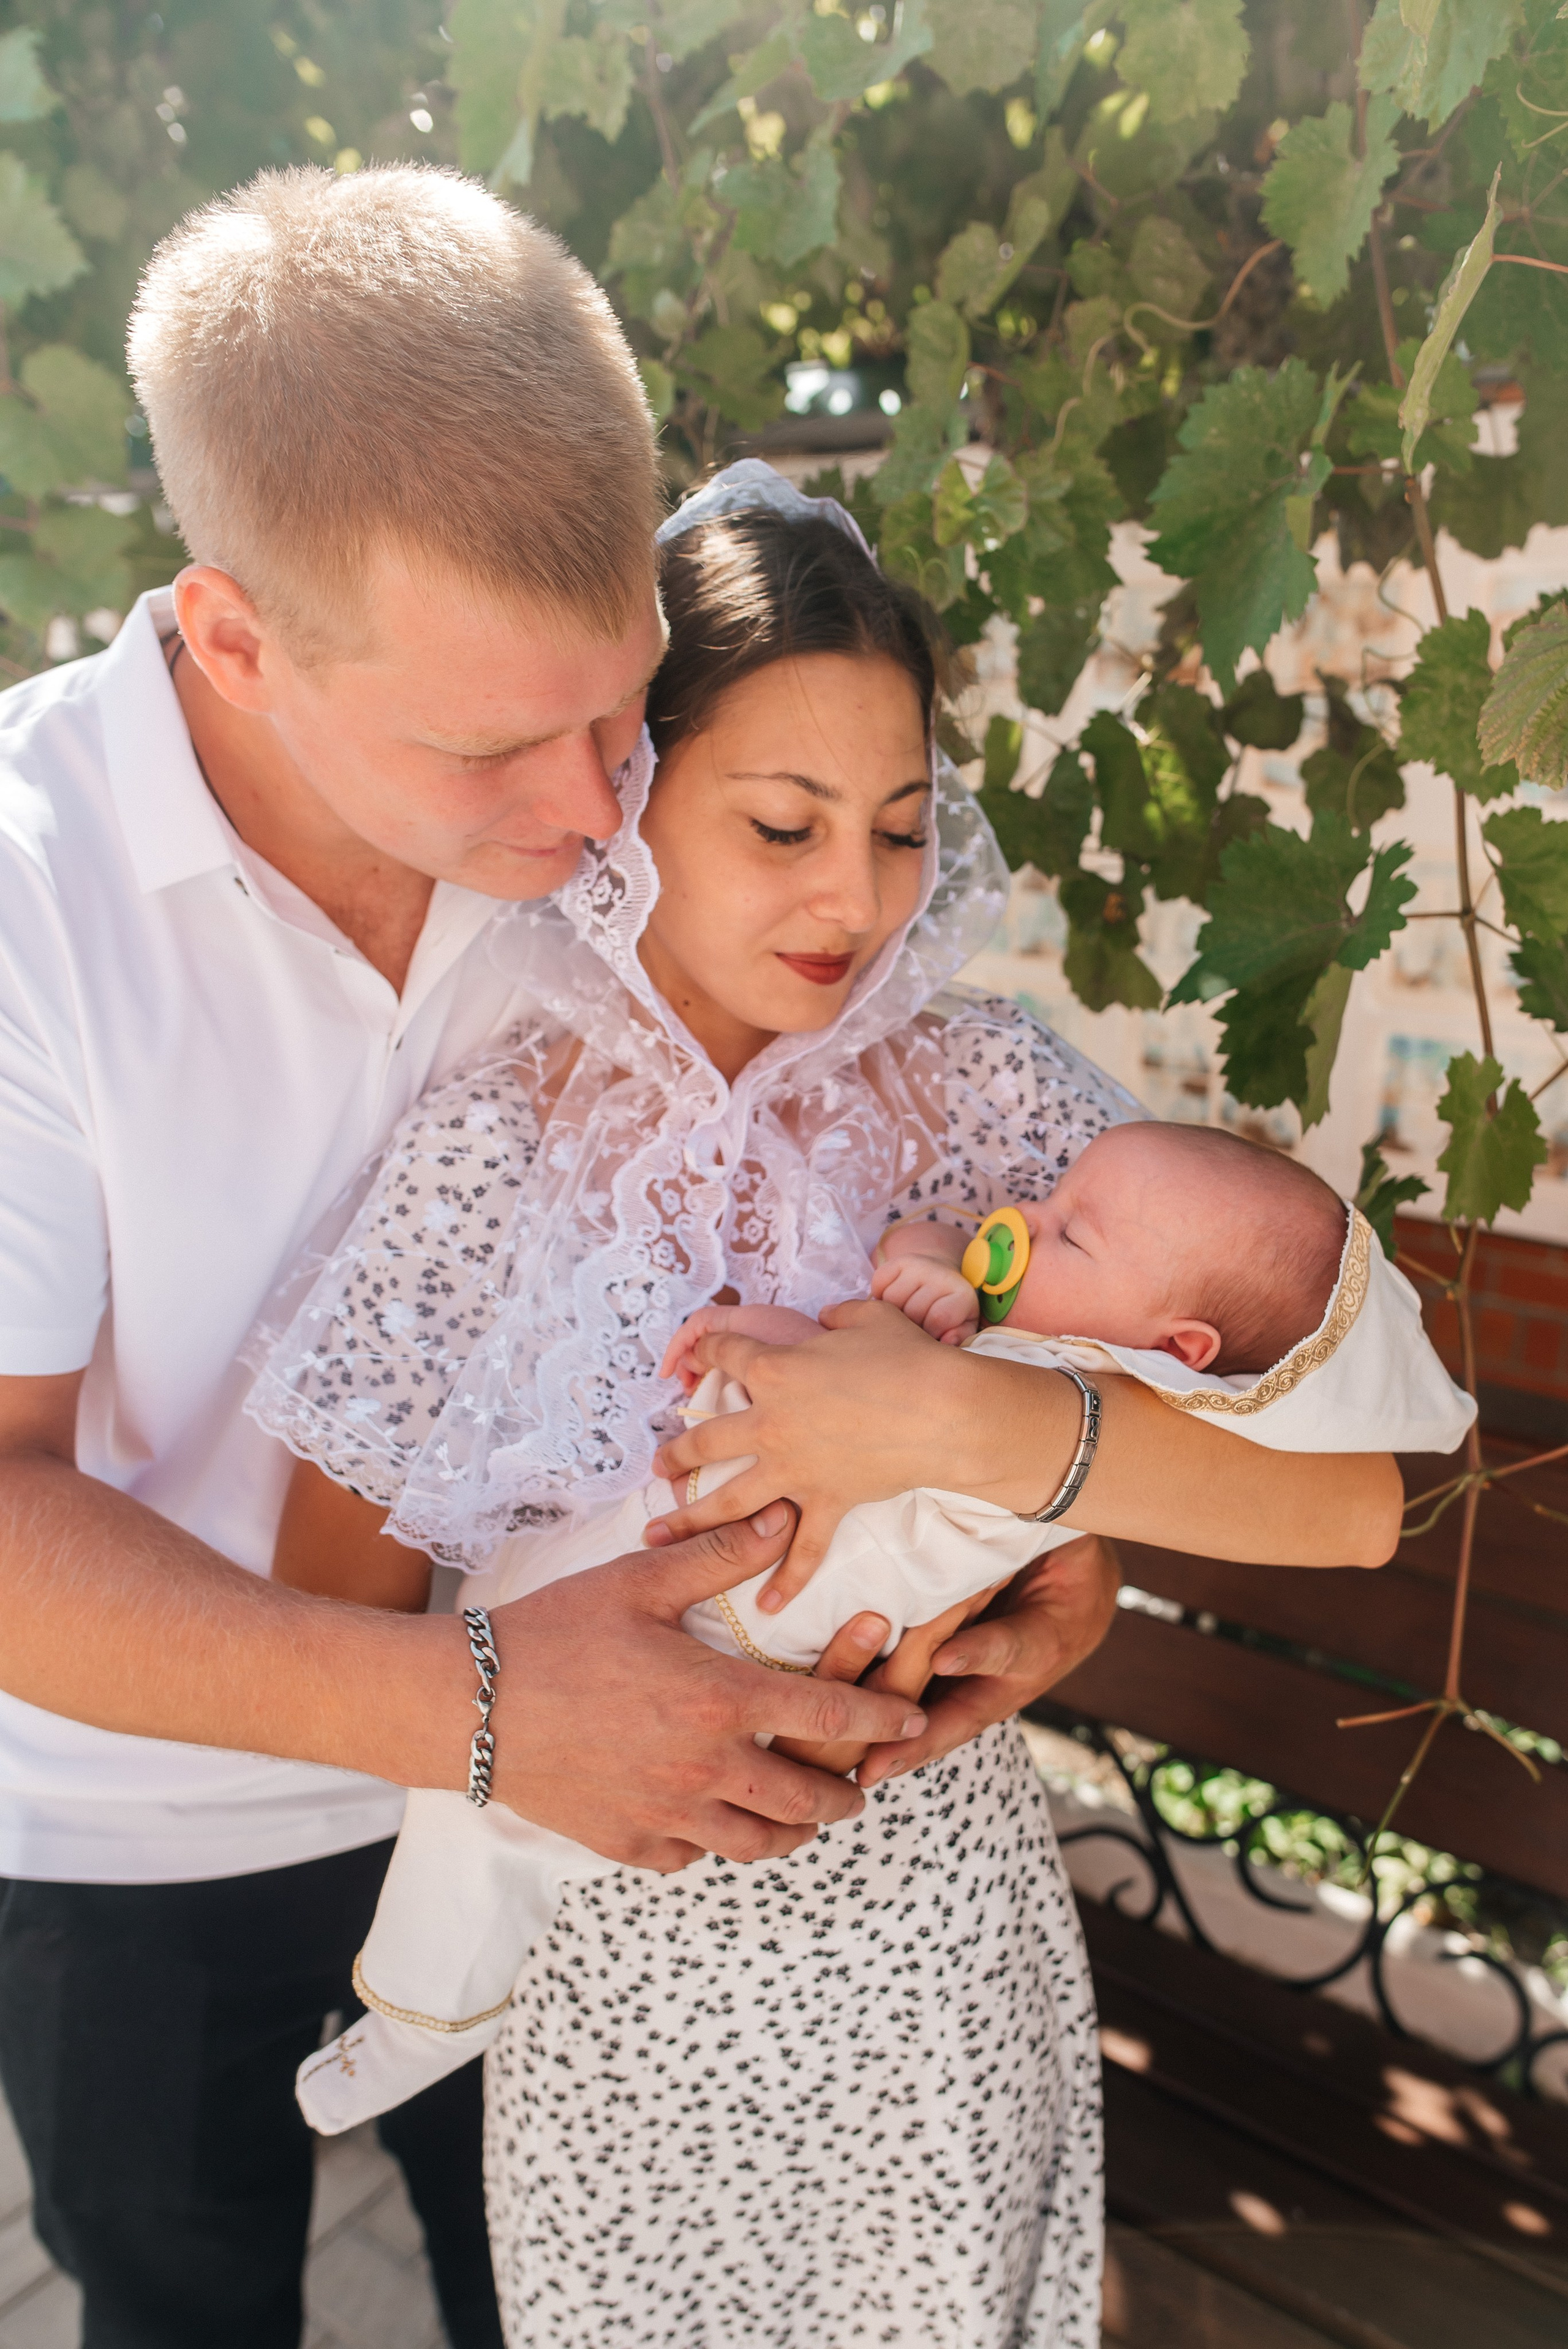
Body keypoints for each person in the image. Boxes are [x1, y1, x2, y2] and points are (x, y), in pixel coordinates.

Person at [255, 465, 1413, 2347]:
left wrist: (957, 1438)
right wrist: (541, 1697)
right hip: (618, 2007)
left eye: (898, 827)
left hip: (935, 1962)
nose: (856, 897)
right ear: (627, 793)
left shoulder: (984, 1098)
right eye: (784, 823)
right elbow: (329, 1621)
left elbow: (1350, 1497)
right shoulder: (486, 1146)